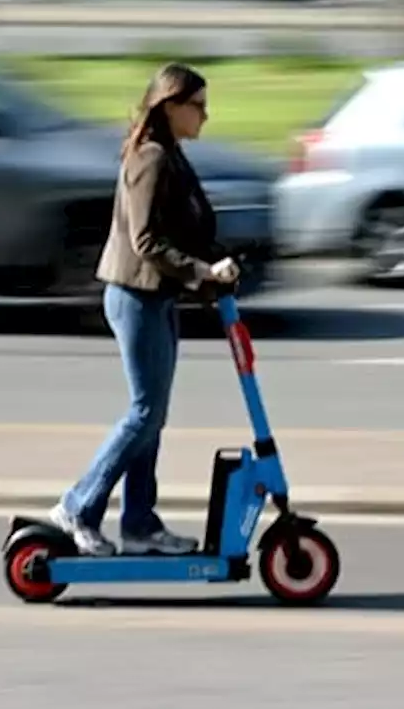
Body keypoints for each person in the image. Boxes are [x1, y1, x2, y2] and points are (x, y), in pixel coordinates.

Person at [48, 62, 241, 558]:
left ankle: (139, 524)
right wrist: (201, 271)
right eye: (197, 105)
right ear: (170, 106)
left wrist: (218, 260)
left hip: (156, 296)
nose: (206, 115)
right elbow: (147, 240)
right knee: (144, 412)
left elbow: (186, 228)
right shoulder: (150, 158)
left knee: (152, 415)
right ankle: (76, 506)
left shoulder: (172, 155)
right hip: (134, 295)